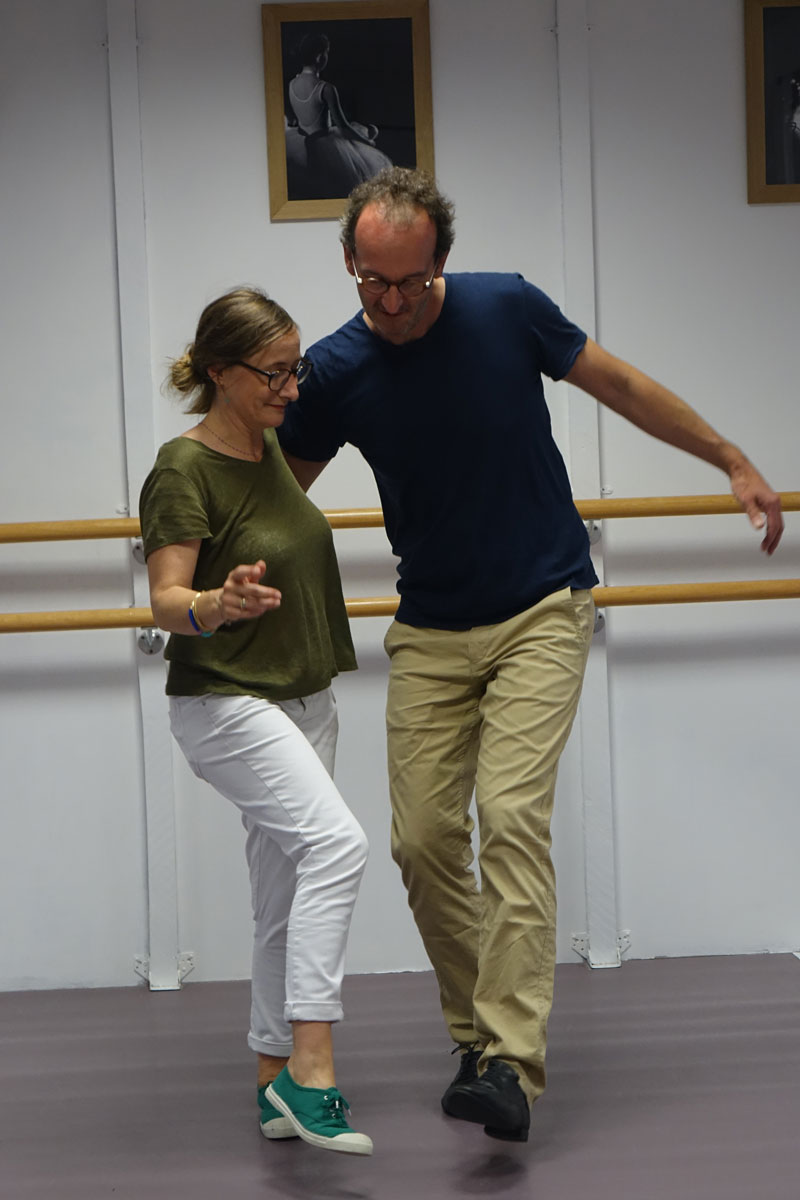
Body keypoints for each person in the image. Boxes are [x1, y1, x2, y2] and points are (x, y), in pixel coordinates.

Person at [276, 168, 784, 1145]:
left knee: (508, 814)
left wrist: (727, 458)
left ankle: (508, 1061)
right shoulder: (337, 370)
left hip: (542, 606)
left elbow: (621, 385)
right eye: (370, 282)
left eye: (409, 284)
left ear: (440, 266)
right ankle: (478, 1046)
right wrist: (213, 579)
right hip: (429, 626)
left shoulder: (504, 308)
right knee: (420, 841)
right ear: (349, 263)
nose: (389, 303)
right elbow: (279, 499)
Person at [138, 287, 372, 1156]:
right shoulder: (182, 466)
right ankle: (314, 1070)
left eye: (295, 367)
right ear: (219, 373)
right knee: (337, 848)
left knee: (283, 895)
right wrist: (215, 602)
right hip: (227, 700)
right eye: (274, 372)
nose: (292, 386)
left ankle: (273, 1077)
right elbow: (165, 599)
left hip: (304, 698)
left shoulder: (270, 447)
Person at [285, 33, 392, 200]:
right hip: (324, 144)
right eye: (327, 52)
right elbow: (343, 127)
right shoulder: (326, 88)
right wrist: (366, 142)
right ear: (319, 57)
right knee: (367, 137)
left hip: (301, 140)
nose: (327, 56)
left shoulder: (291, 84)